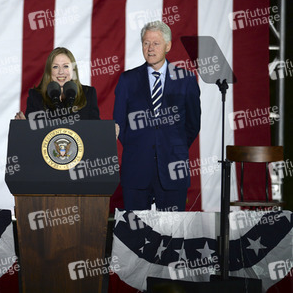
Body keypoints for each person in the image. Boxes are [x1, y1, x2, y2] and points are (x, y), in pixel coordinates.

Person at [113, 21, 201, 211]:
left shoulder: (186, 80)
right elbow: (119, 123)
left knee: (171, 235)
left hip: (173, 166)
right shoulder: (127, 80)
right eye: (146, 43)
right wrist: (137, 144)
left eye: (156, 43)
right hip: (136, 167)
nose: (150, 48)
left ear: (168, 46)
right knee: (135, 233)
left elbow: (193, 125)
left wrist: (172, 145)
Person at [15, 47, 100, 120]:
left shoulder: (88, 94)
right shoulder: (36, 96)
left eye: (65, 66)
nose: (61, 72)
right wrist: (23, 125)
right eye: (55, 67)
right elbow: (31, 132)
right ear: (49, 70)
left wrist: (111, 130)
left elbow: (95, 128)